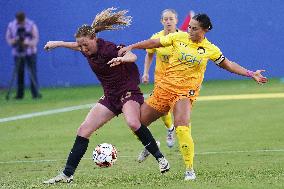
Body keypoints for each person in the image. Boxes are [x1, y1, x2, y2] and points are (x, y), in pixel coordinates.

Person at [108, 13, 268, 180]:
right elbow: (154, 43)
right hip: (163, 89)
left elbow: (228, 64)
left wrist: (250, 73)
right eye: (189, 27)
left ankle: (189, 169)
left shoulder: (210, 49)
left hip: (185, 93)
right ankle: (152, 144)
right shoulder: (178, 37)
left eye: (194, 28)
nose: (190, 30)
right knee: (136, 124)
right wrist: (132, 46)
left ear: (205, 30)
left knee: (182, 126)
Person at [43, 8, 170, 184]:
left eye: (86, 44)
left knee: (133, 122)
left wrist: (123, 59)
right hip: (110, 97)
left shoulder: (108, 48)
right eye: (81, 45)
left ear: (94, 39)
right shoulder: (84, 48)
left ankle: (161, 158)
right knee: (84, 130)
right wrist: (56, 43)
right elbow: (74, 46)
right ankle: (67, 174)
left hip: (128, 92)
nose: (83, 49)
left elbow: (131, 55)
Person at [5, 11, 41, 99]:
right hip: (18, 53)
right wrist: (15, 41)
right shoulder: (11, 26)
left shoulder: (31, 25)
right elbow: (8, 38)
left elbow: (36, 39)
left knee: (32, 72)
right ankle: (19, 94)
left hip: (30, 52)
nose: (21, 23)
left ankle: (35, 93)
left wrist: (28, 43)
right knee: (19, 73)